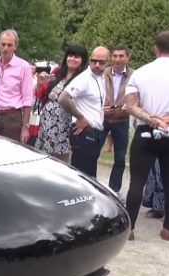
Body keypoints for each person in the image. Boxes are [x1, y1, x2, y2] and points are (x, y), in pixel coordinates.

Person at [124, 31, 169, 241]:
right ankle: (168, 229)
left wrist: (151, 119)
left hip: (145, 132)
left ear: (156, 48)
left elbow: (131, 105)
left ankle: (130, 228)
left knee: (137, 181)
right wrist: (166, 120)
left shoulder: (141, 73)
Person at [57, 46, 109, 177]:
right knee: (83, 177)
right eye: (93, 61)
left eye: (101, 62)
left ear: (107, 62)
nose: (96, 65)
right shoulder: (84, 78)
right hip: (85, 132)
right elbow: (63, 98)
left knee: (89, 175)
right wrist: (80, 117)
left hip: (95, 132)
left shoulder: (101, 77)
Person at [0, 29, 34, 142]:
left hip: (12, 118)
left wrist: (25, 127)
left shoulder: (23, 66)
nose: (5, 48)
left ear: (15, 46)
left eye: (9, 45)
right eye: (3, 44)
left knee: (9, 153)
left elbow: (27, 99)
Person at [35, 45, 88, 161]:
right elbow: (41, 94)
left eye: (77, 57)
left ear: (83, 60)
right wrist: (40, 83)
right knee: (42, 158)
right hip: (46, 124)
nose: (72, 59)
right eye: (70, 55)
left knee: (59, 161)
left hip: (65, 125)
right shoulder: (57, 72)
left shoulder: (83, 78)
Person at [100, 45, 135, 196]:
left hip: (122, 119)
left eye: (121, 56)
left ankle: (114, 190)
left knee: (120, 158)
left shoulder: (134, 75)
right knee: (93, 153)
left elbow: (138, 96)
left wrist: (130, 106)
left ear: (128, 57)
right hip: (102, 118)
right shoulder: (103, 72)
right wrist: (101, 107)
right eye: (114, 56)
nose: (117, 59)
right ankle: (93, 187)